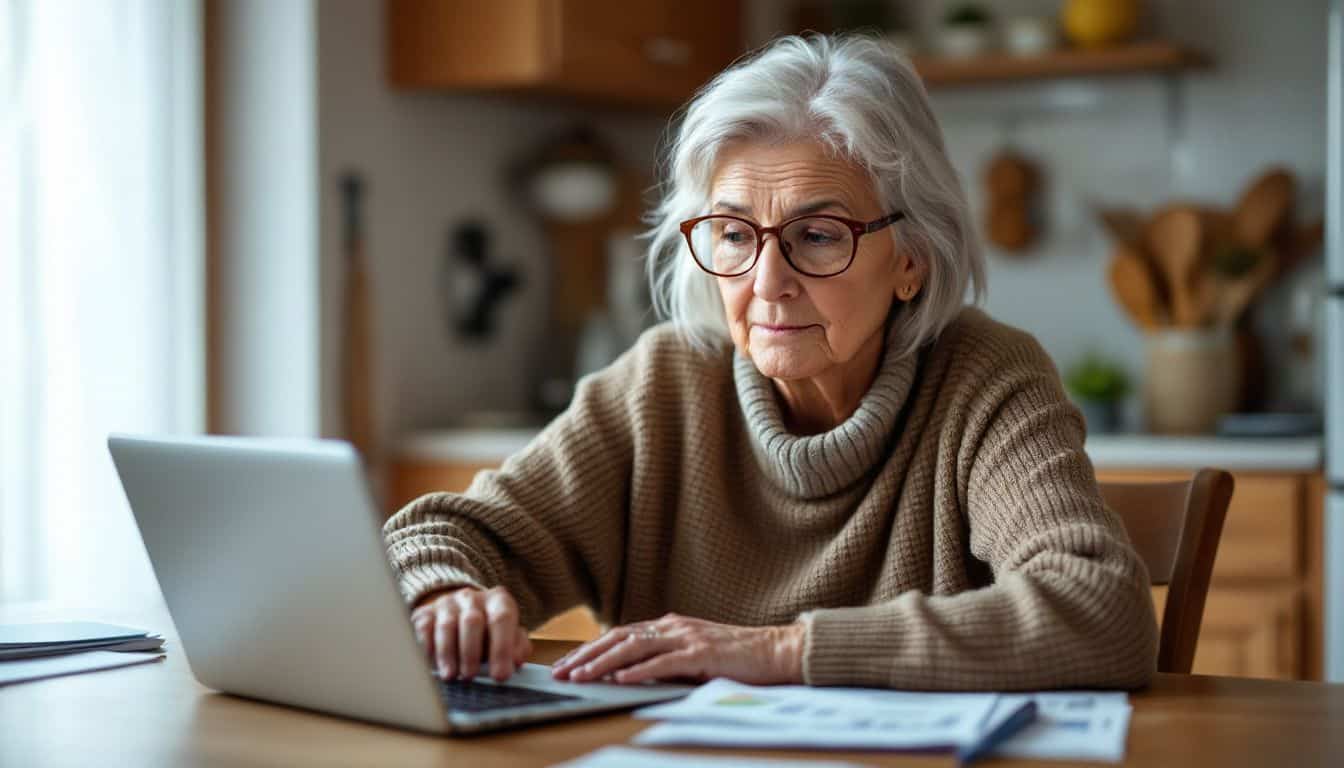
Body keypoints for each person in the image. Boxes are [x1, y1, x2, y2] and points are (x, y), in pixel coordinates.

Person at [383, 34, 1158, 692]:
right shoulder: (664, 384)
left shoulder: (983, 380)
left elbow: (1100, 609)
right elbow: (438, 535)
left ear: (911, 259)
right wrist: (449, 594)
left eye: (819, 236)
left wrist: (783, 650)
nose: (766, 282)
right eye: (731, 233)